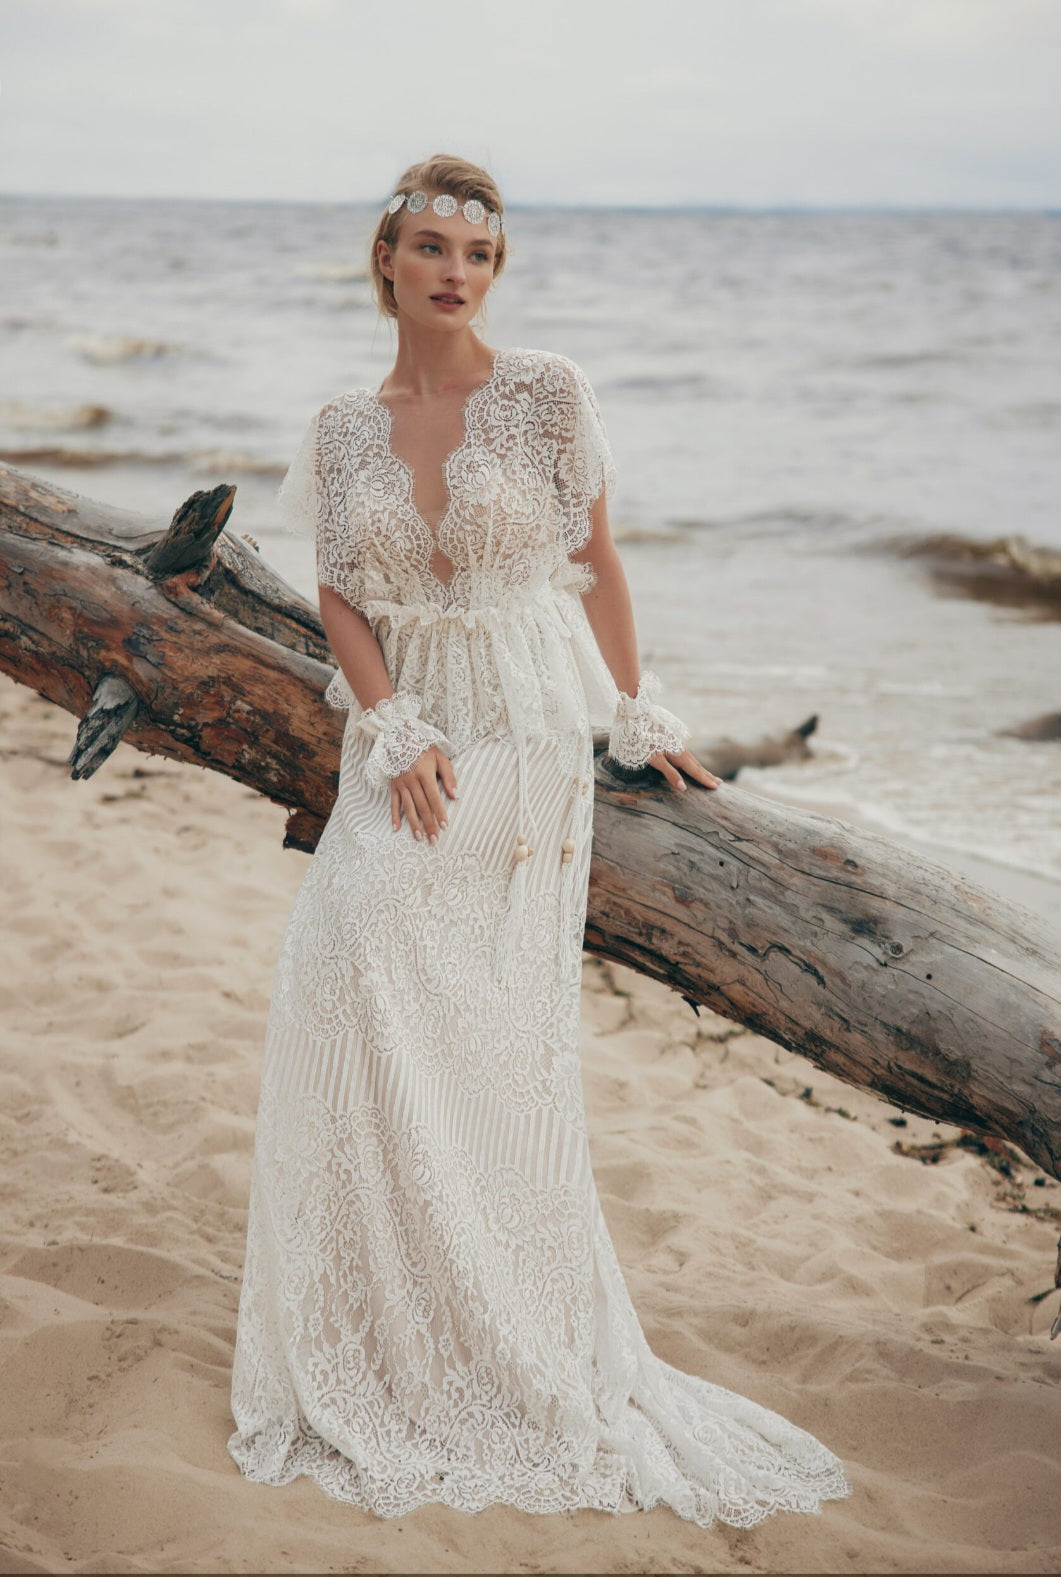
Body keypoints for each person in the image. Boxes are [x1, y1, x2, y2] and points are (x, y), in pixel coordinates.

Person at [228, 153, 850, 1526]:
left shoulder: (545, 392)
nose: (456, 271)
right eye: (432, 246)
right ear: (386, 257)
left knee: (486, 1028)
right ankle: (381, 1318)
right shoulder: (344, 427)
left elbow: (598, 562)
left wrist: (632, 708)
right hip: (412, 731)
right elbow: (338, 596)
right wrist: (387, 724)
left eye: (480, 253)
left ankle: (496, 1314)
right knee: (346, 954)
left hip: (525, 723)